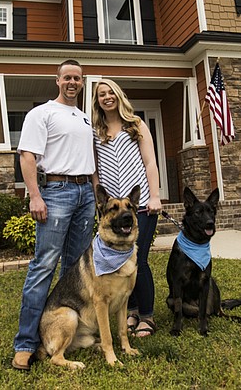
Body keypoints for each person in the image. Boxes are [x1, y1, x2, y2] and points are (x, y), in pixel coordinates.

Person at [12, 59, 96, 371]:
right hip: (57, 191)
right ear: (57, 80)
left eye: (77, 78)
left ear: (82, 82)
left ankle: (65, 334)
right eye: (67, 78)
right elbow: (27, 155)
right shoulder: (42, 113)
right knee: (44, 266)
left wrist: (96, 197)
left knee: (75, 270)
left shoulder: (85, 119)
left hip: (85, 192)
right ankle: (25, 344)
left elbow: (91, 161)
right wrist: (35, 195)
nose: (72, 82)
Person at [91, 78, 162, 338]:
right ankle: (130, 311)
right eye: (101, 94)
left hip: (139, 206)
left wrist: (154, 196)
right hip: (111, 209)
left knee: (138, 260)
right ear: (97, 100)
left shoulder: (136, 124)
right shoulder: (96, 131)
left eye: (111, 92)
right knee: (119, 263)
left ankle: (147, 316)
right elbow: (95, 172)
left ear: (119, 95)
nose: (107, 97)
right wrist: (99, 204)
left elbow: (150, 163)